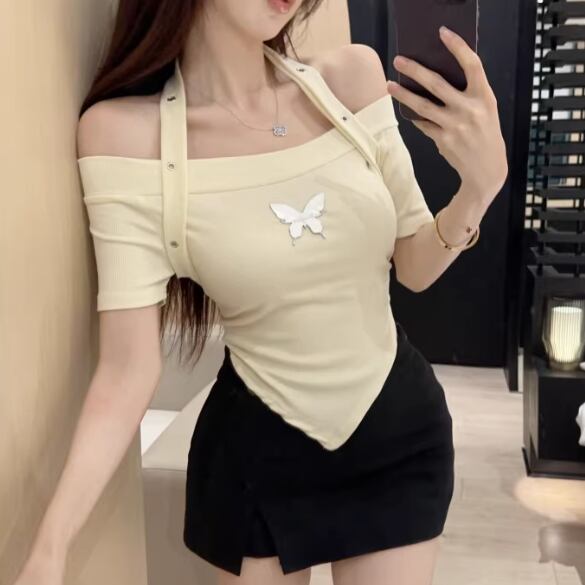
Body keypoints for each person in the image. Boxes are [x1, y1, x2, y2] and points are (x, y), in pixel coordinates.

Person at [13, 1, 507, 584]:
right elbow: (127, 370)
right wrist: (50, 548)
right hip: (258, 461)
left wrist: (478, 190)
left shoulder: (351, 80)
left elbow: (415, 267)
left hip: (396, 436)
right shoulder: (126, 138)